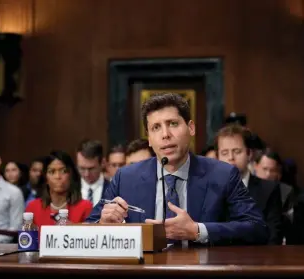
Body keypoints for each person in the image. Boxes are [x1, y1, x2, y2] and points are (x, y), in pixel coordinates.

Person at [86, 93, 268, 246]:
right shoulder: (126, 178)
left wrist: (197, 231)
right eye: (156, 127)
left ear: (191, 128)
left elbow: (257, 228)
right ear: (149, 138)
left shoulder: (222, 175)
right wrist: (103, 223)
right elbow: (88, 229)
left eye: (173, 123)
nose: (165, 134)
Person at [215, 125, 283, 244]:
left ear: (249, 154)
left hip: (259, 259)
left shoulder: (269, 189)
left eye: (237, 151)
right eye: (224, 153)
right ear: (217, 157)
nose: (231, 158)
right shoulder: (209, 190)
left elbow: (273, 236)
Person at [25, 150, 93, 227]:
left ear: (71, 175)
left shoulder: (85, 207)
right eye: (52, 172)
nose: (58, 176)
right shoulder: (33, 207)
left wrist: (74, 228)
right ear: (45, 177)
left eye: (64, 171)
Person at [76, 139, 110, 206]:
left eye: (91, 168)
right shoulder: (69, 191)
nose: (86, 174)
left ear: (102, 163)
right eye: (82, 168)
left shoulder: (113, 190)